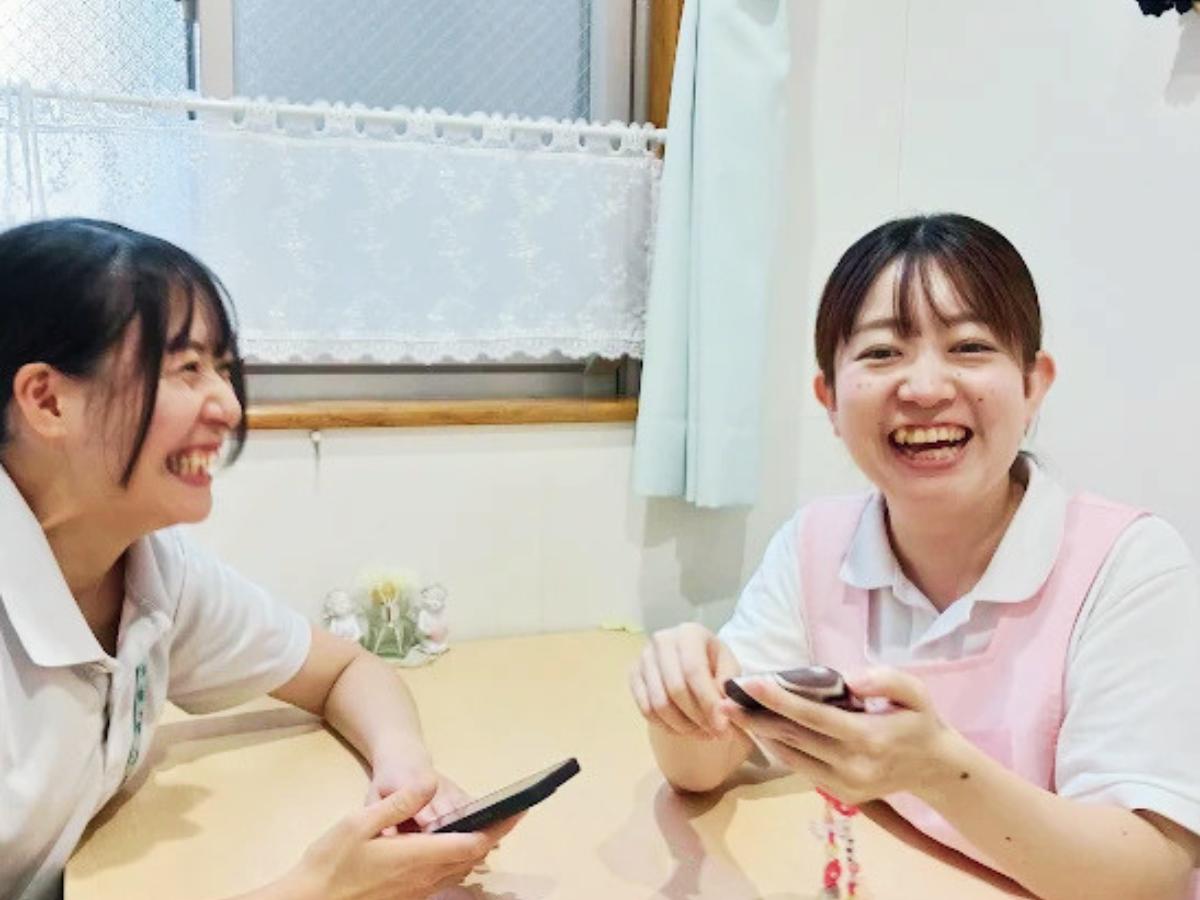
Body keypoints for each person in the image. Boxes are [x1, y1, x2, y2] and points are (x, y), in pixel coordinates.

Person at [629, 213, 1200, 899]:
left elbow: (1149, 874)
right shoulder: (815, 544)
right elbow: (705, 765)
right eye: (881, 353)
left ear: (1033, 384)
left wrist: (937, 772)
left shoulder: (1127, 564)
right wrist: (681, 698)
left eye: (969, 347)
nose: (925, 389)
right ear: (829, 398)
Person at [0, 218, 516, 900]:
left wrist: (403, 771)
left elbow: (344, 670)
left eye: (221, 368)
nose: (228, 405)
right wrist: (321, 890)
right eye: (187, 368)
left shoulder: (153, 570)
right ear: (47, 400)